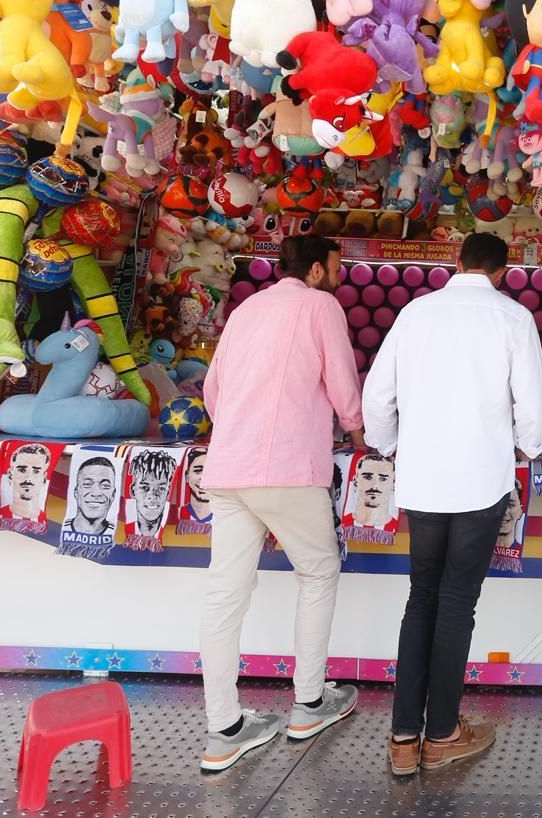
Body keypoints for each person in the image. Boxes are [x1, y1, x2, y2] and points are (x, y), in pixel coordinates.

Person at [362, 233, 542, 778]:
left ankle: (403, 736)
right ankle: (442, 731)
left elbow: (378, 397)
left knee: (422, 595)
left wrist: (391, 444)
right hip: (480, 483)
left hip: (422, 480)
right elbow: (532, 408)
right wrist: (528, 446)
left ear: (456, 262)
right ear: (504, 271)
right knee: (456, 603)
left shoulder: (416, 313)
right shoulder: (513, 319)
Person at [198, 235, 365, 772]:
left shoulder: (248, 308)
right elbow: (342, 384)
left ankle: (224, 729)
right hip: (288, 468)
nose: (339, 277)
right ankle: (310, 703)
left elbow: (213, 392)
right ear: (316, 270)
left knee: (225, 595)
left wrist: (240, 433)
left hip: (227, 467)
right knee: (317, 574)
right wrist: (359, 434)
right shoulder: (322, 306)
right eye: (336, 268)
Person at [128, 449, 178, 535]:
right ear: (133, 491)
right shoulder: (120, 532)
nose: (153, 495)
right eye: (144, 488)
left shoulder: (178, 532)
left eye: (161, 488)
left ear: (168, 492)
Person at [343, 454, 397, 533]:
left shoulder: (402, 527)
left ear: (393, 484)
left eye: (383, 479)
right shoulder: (342, 524)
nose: (374, 486)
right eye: (367, 477)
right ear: (355, 481)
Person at [65, 456, 117, 535]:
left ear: (113, 495)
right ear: (76, 492)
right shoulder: (58, 530)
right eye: (87, 484)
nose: (96, 493)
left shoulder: (119, 536)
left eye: (105, 486)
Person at [2, 443, 51, 522]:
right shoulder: (1, 516)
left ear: (44, 479)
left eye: (36, 471)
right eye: (22, 470)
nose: (28, 478)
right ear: (10, 475)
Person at [181, 448, 211, 526]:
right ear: (187, 476)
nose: (204, 479)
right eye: (198, 471)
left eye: (210, 471)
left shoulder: (227, 515)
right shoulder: (178, 513)